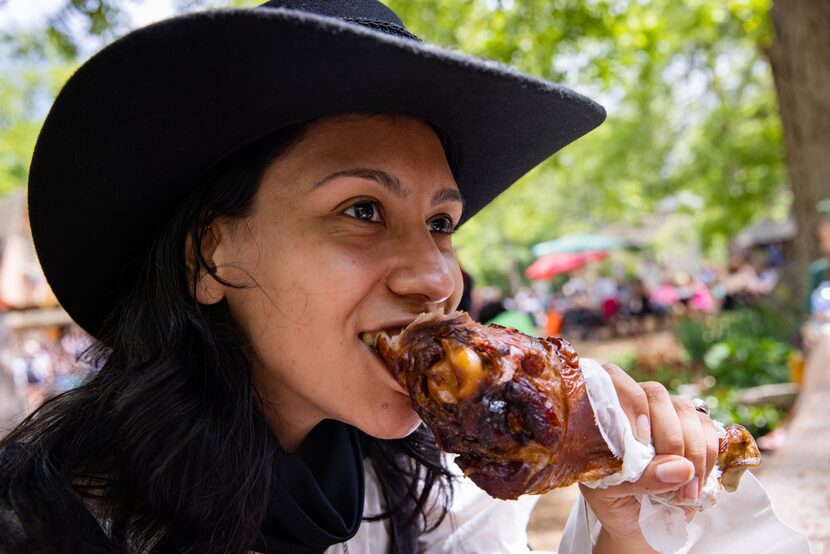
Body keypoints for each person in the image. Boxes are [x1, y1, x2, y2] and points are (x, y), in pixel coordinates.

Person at [0, 2, 720, 553]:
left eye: (441, 223)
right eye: (363, 209)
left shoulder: (423, 495)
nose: (434, 278)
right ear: (208, 257)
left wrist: (625, 531)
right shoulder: (53, 522)